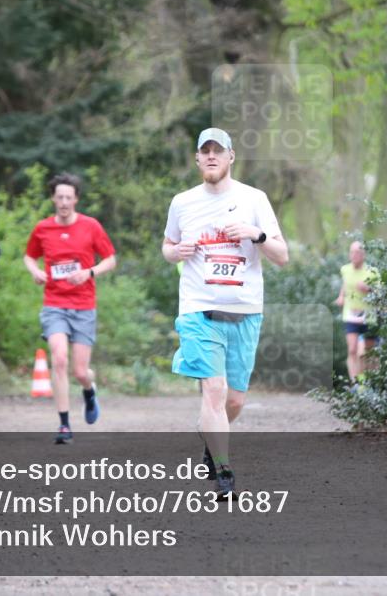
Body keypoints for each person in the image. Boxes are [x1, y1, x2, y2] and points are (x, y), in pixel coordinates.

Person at [162, 127, 288, 498]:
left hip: (245, 311)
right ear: (197, 159)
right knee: (213, 392)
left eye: (219, 151)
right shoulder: (183, 202)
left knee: (234, 401)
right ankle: (224, 472)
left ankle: (211, 439)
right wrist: (176, 252)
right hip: (199, 310)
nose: (212, 156)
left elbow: (282, 256)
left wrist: (255, 233)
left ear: (231, 156)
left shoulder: (254, 199)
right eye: (206, 151)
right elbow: (167, 246)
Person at [24, 173, 116, 444]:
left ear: (76, 199)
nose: (64, 202)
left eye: (68, 197)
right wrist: (35, 271)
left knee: (80, 371)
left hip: (84, 306)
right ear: (53, 199)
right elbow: (29, 256)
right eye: (59, 197)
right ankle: (64, 425)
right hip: (54, 304)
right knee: (59, 359)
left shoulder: (90, 226)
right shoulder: (43, 228)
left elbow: (110, 259)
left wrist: (89, 272)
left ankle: (89, 389)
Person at [334, 240, 378, 387]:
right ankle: (355, 384)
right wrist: (341, 296)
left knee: (367, 352)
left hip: (369, 316)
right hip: (351, 315)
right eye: (352, 252)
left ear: (363, 255)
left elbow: (381, 293)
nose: (354, 255)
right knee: (352, 350)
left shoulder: (372, 272)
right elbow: (345, 284)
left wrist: (369, 289)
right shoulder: (345, 269)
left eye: (357, 252)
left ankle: (369, 382)